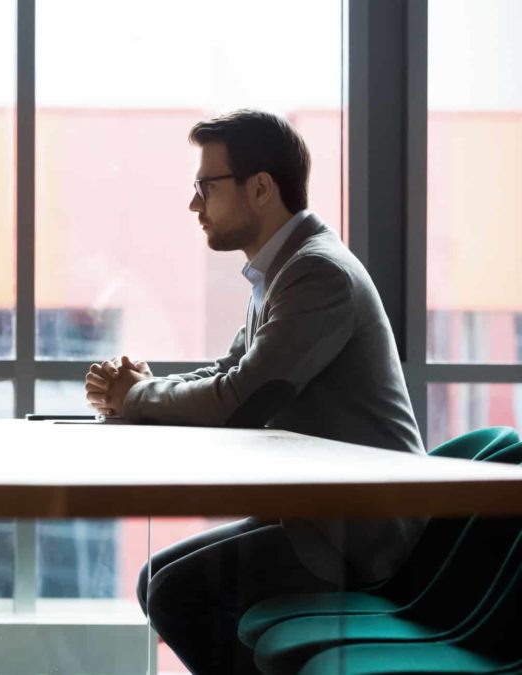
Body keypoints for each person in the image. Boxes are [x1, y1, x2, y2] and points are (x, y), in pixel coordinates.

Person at [83, 109, 424, 674]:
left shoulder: (318, 274)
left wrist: (137, 396)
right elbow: (231, 370)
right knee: (157, 582)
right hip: (314, 516)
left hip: (357, 536)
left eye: (205, 187)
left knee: (176, 594)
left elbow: (242, 400)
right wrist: (138, 388)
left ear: (261, 188)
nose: (195, 205)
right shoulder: (283, 270)